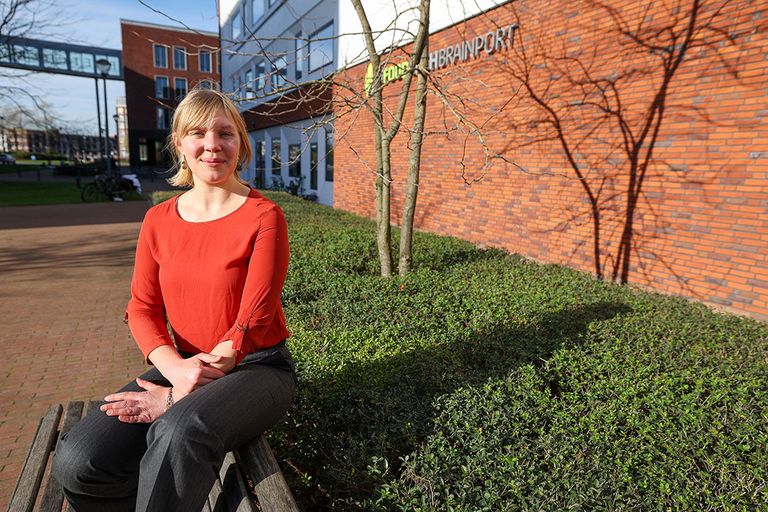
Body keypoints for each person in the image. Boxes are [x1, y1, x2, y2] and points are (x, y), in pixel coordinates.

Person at [51, 88, 296, 512]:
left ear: (241, 143)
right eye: (198, 133)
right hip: (180, 365)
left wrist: (172, 397)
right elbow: (141, 308)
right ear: (180, 144)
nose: (212, 145)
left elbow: (250, 323)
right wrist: (175, 372)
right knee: (79, 459)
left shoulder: (264, 217)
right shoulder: (158, 219)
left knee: (179, 429)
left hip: (256, 369)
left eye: (225, 133)